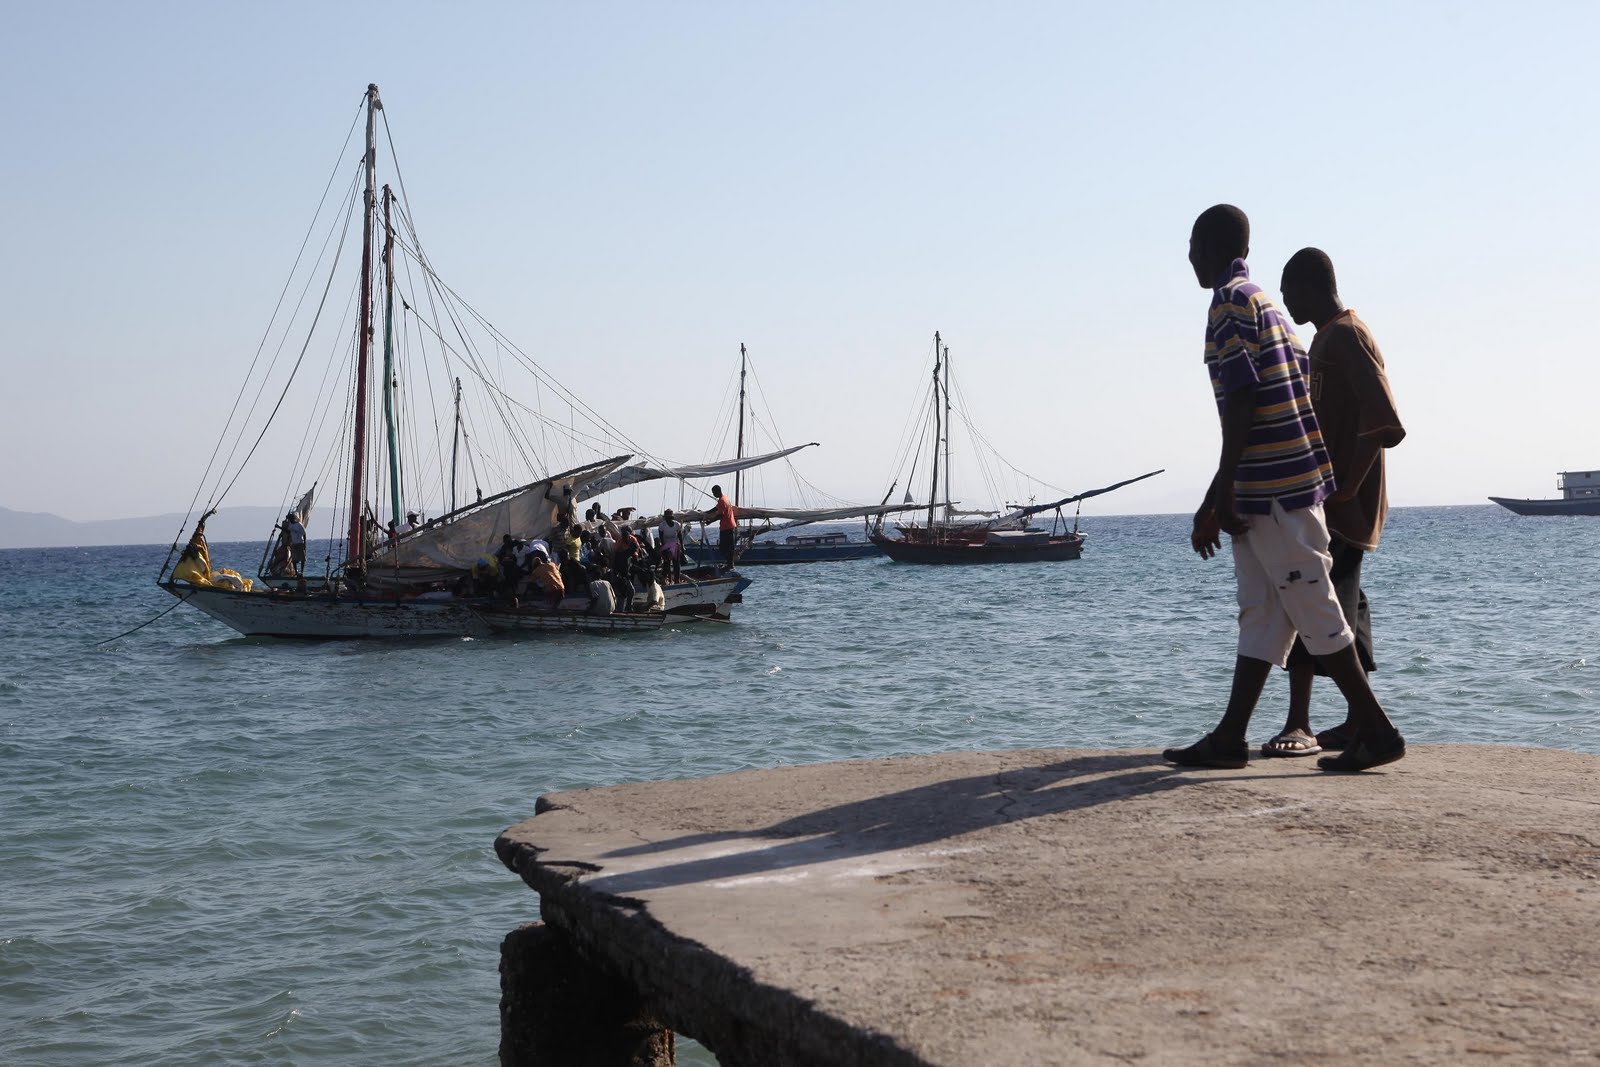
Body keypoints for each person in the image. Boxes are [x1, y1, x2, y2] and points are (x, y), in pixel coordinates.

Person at [1165, 204, 1405, 774]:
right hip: (1276, 483)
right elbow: (1294, 387)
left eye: (1194, 244)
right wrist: (1223, 493)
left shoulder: (1228, 303)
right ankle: (1229, 737)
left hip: (1273, 489)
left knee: (1311, 602)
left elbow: (1244, 402)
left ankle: (1377, 729)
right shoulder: (1268, 306)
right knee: (1264, 612)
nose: (1189, 257)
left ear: (1214, 246)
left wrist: (1222, 493)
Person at [1257, 248, 1407, 757]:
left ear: (1311, 286)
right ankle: (1354, 720)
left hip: (1340, 505)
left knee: (1309, 600)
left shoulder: (1346, 335)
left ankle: (1301, 722)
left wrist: (1345, 487)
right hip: (1329, 500)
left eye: (1288, 289)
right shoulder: (1325, 338)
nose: (1285, 300)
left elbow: (1384, 420)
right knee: (1347, 605)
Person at [706, 484, 737, 570]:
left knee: (724, 548)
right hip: (729, 526)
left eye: (713, 493)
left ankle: (730, 564)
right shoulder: (725, 498)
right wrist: (707, 512)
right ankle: (729, 564)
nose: (713, 495)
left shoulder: (722, 501)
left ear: (717, 491)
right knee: (728, 547)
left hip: (726, 527)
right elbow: (716, 508)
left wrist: (710, 521)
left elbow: (720, 515)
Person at [525, 546, 565, 610]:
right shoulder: (552, 564)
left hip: (551, 591)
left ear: (535, 566)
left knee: (549, 607)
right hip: (561, 589)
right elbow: (560, 574)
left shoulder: (536, 570)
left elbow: (530, 583)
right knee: (555, 606)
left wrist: (525, 595)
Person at [657, 508, 685, 583]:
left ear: (672, 518)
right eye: (667, 517)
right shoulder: (662, 525)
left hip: (675, 545)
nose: (668, 519)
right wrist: (663, 548)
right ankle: (666, 579)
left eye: (669, 517)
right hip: (666, 545)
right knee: (667, 563)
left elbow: (680, 536)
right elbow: (661, 537)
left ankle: (677, 579)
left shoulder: (677, 524)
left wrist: (682, 546)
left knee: (676, 563)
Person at [283, 511, 307, 577]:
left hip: (300, 543)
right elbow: (288, 531)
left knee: (302, 558)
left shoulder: (299, 525)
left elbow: (304, 534)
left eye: (290, 519)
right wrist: (280, 527)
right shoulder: (291, 524)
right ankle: (296, 571)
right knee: (294, 559)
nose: (290, 521)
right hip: (294, 543)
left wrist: (305, 544)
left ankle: (302, 572)